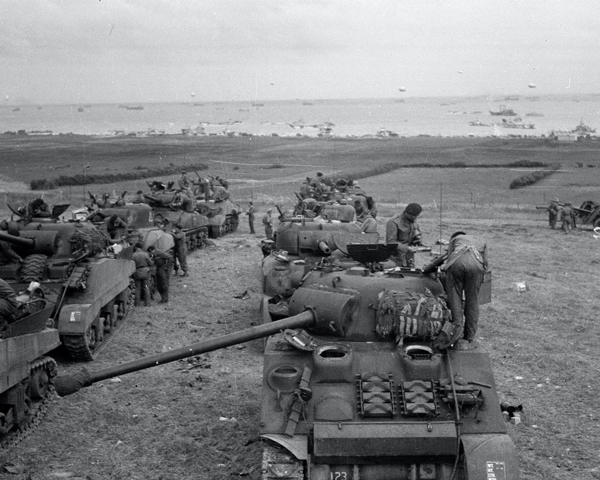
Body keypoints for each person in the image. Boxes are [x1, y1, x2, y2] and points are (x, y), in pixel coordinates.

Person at [442, 231, 488, 348]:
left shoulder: (455, 240)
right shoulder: (481, 240)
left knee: (455, 298)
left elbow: (448, 259)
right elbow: (486, 264)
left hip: (456, 263)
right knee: (472, 301)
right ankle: (469, 338)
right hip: (476, 266)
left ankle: (455, 334)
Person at [385, 203, 425, 267]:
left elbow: (415, 233)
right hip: (396, 258)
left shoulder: (412, 220)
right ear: (409, 214)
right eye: (415, 216)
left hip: (409, 257)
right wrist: (407, 248)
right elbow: (391, 242)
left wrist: (419, 242)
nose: (416, 218)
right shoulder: (393, 222)